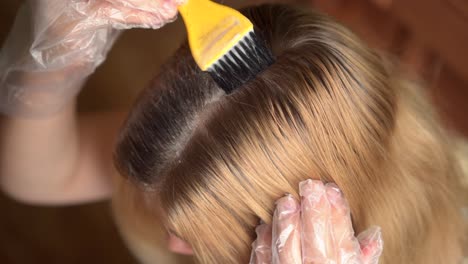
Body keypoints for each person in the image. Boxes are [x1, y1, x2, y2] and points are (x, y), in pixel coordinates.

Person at [0, 1, 466, 264]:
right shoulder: (194, 149)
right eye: (179, 229)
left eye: (205, 243)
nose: (172, 247)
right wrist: (55, 52)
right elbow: (43, 176)